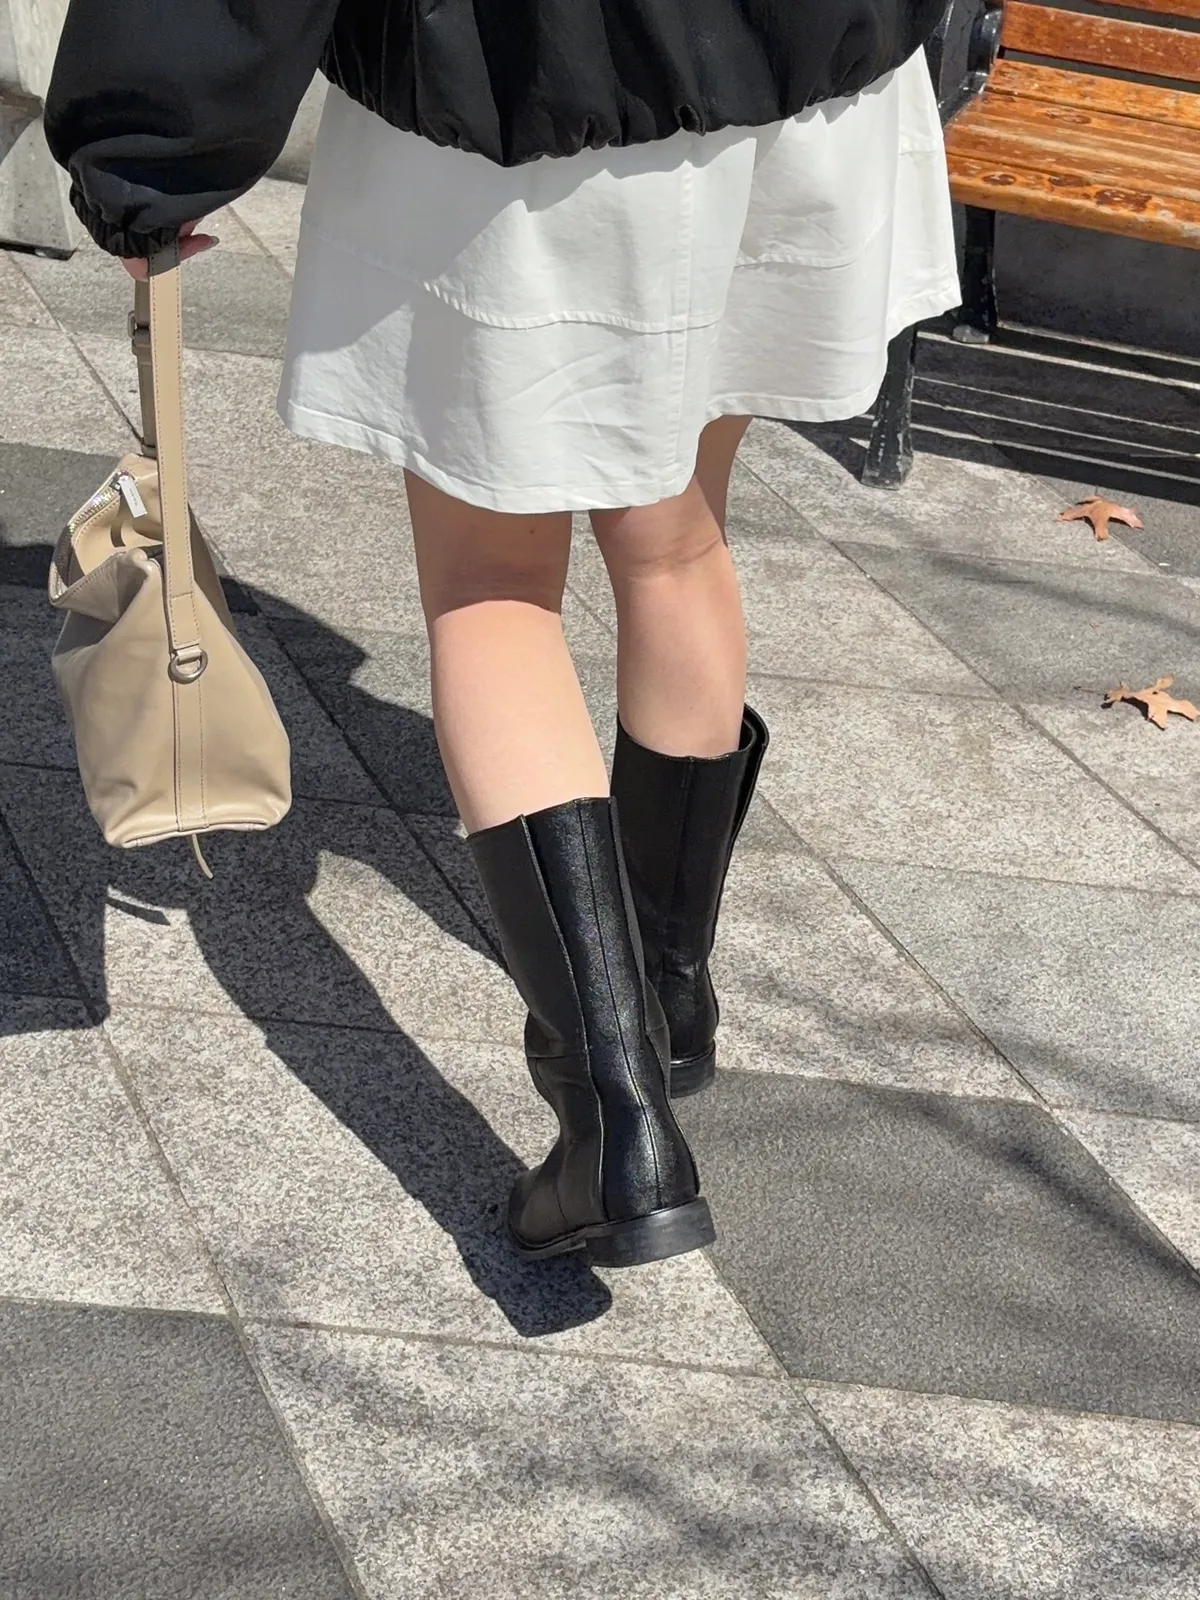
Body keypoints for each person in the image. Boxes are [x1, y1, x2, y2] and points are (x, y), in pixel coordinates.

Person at [44, 0, 959, 1270]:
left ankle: (616, 1125)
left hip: (518, 100)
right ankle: (666, 998)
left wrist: (147, 149)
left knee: (492, 591)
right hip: (799, 72)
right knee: (677, 540)